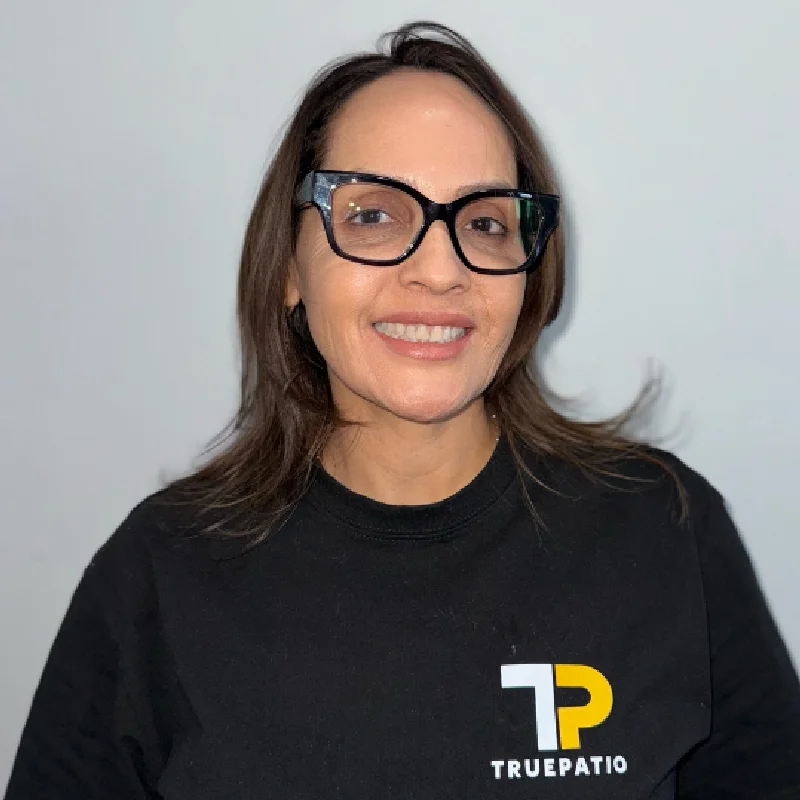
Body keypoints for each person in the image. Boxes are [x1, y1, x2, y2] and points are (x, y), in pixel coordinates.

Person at [5, 20, 800, 800]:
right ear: (289, 268)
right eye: (374, 214)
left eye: (485, 223)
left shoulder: (663, 526)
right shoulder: (158, 574)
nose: (439, 270)